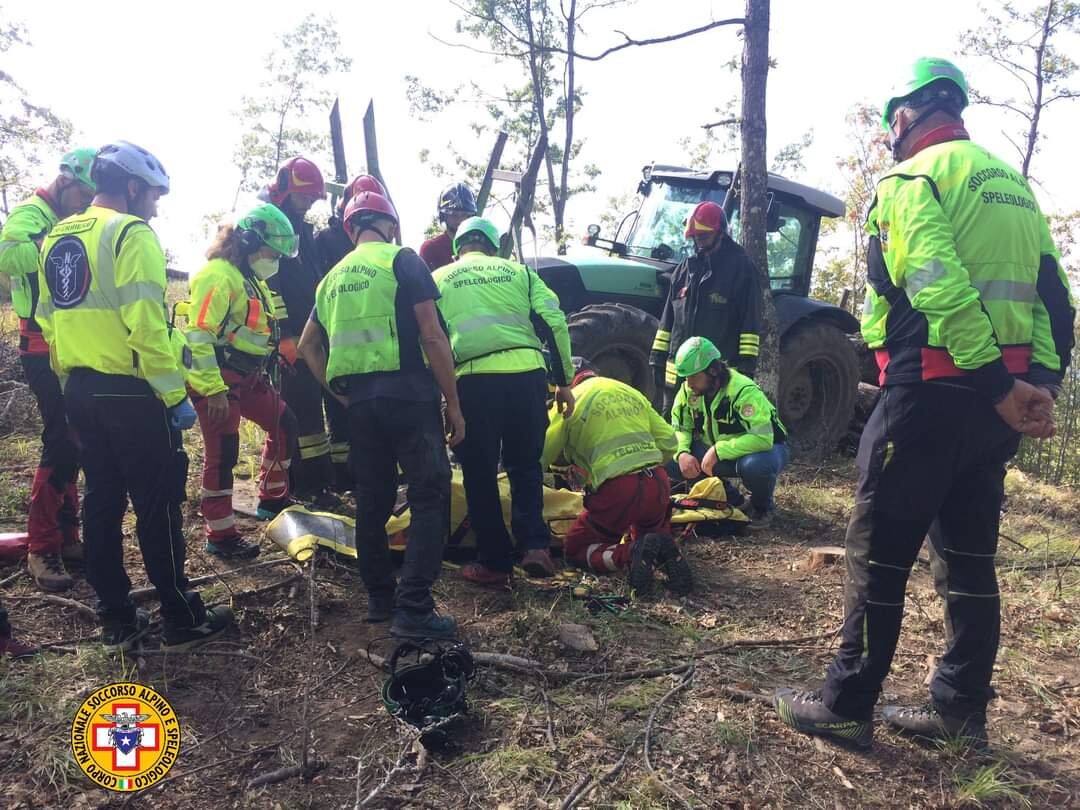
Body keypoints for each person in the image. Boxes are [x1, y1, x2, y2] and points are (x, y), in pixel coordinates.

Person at [774, 57, 1073, 751]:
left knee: (877, 554)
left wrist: (1002, 388)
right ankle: (960, 712)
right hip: (994, 412)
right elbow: (1057, 301)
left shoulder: (913, 180)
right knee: (967, 559)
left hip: (929, 396)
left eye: (890, 126)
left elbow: (936, 286)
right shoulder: (1015, 189)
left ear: (904, 117)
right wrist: (1037, 389)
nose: (889, 138)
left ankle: (847, 704)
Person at [36, 141, 234, 652]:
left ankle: (117, 620)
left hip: (79, 388)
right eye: (153, 194)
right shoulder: (131, 234)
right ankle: (180, 615)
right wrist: (173, 397)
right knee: (158, 504)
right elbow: (145, 326)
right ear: (131, 187)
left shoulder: (57, 236)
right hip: (131, 391)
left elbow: (46, 319)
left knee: (102, 501)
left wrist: (69, 384)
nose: (156, 204)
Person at [298, 190, 465, 641]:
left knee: (372, 498)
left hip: (361, 405)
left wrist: (338, 390)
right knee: (430, 494)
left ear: (350, 229)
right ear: (390, 224)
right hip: (410, 395)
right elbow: (432, 337)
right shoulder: (403, 261)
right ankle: (414, 608)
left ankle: (379, 599)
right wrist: (453, 401)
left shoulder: (330, 279)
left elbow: (307, 346)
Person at [432, 216, 575, 586]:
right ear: (494, 247)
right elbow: (554, 322)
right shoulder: (520, 273)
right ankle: (535, 547)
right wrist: (563, 382)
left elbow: (429, 342)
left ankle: (494, 562)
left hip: (473, 382)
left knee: (479, 474)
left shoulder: (440, 279)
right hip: (526, 377)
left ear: (457, 247)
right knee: (525, 465)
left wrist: (442, 398)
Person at [0, 148, 97, 592]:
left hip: (70, 343)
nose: (85, 202)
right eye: (83, 193)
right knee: (59, 438)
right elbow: (8, 256)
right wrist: (54, 241)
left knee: (75, 436)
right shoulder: (31, 213)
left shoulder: (67, 214)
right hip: (39, 344)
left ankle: (67, 535)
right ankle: (42, 547)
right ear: (65, 181)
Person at [185, 204, 300, 559]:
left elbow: (256, 327)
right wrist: (212, 389)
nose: (275, 258)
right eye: (271, 251)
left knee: (285, 423)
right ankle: (220, 535)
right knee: (223, 454)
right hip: (218, 378)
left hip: (247, 377)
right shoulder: (218, 276)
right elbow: (198, 336)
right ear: (249, 241)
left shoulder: (249, 278)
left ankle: (272, 499)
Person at [541, 359, 691, 595]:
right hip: (658, 483)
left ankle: (628, 555)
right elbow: (670, 442)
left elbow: (539, 457)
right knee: (650, 536)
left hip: (618, 491)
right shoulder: (628, 391)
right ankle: (665, 555)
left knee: (576, 548)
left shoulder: (566, 399)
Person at [261, 156, 335, 510]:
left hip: (311, 329)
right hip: (286, 336)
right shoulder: (268, 225)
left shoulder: (301, 228)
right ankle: (296, 484)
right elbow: (270, 286)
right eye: (304, 197)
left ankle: (316, 482)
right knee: (296, 412)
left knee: (311, 410)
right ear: (286, 190)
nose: (308, 205)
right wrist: (285, 334)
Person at [649, 201, 762, 415]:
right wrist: (657, 358)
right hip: (677, 381)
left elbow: (750, 325)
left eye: (703, 236)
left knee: (708, 437)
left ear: (720, 233)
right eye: (695, 238)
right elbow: (667, 321)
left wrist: (745, 370)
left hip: (713, 380)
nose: (699, 242)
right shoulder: (684, 270)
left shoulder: (741, 269)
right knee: (672, 436)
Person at [315, 173, 388, 492]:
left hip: (378, 349)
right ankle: (344, 477)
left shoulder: (386, 250)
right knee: (341, 416)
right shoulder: (325, 241)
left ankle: (371, 478)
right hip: (339, 341)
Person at [669, 337, 789, 527]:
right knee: (671, 458)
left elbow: (763, 438)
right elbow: (680, 428)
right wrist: (682, 452)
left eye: (693, 376)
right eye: (686, 377)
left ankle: (762, 508)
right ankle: (734, 500)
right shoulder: (688, 391)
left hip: (765, 450)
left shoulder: (743, 391)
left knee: (755, 467)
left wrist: (719, 450)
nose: (688, 383)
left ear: (713, 371)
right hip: (718, 452)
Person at [419, 182, 478, 272]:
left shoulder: (478, 248)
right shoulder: (431, 248)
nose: (459, 219)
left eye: (464, 215)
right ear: (443, 216)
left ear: (471, 216)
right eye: (453, 214)